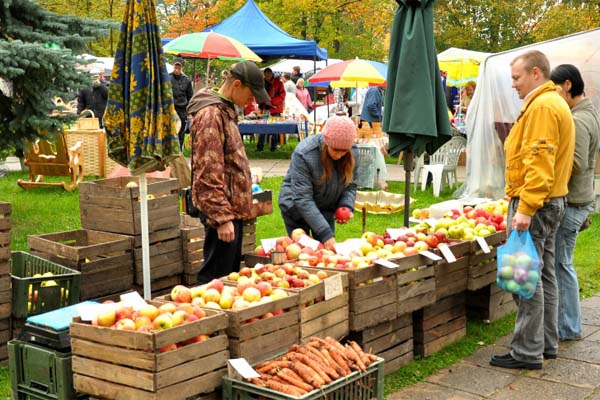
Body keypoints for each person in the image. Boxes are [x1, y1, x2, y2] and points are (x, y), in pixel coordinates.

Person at [490, 50, 575, 370]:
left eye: (517, 77)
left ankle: (526, 352)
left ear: (536, 73)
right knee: (546, 274)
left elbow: (540, 162)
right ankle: (546, 343)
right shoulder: (555, 103)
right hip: (551, 201)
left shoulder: (541, 106)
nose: (513, 84)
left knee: (524, 278)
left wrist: (524, 209)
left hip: (535, 203)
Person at [186, 60, 270, 284]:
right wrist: (222, 218)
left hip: (233, 210)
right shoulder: (211, 115)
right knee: (214, 280)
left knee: (228, 279)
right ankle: (208, 318)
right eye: (251, 95)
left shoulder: (225, 110)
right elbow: (208, 171)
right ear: (236, 84)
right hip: (222, 213)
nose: (251, 102)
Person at [550, 64, 600, 341]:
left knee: (561, 265)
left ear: (567, 85)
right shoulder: (586, 112)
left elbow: (578, 163)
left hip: (573, 203)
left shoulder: (578, 120)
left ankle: (569, 327)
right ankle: (567, 324)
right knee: (562, 263)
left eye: (556, 88)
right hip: (580, 201)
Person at [278, 115, 358, 250]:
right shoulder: (305, 153)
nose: (339, 155)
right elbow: (303, 198)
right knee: (302, 253)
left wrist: (345, 205)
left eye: (343, 151)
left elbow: (350, 185)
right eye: (335, 150)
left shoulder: (353, 153)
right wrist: (326, 234)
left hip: (325, 207)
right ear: (326, 142)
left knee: (326, 254)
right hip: (296, 208)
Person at [257, 67, 285, 152]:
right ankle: (260, 147)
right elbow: (257, 95)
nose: (267, 75)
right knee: (262, 128)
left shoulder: (279, 83)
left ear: (272, 74)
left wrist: (271, 102)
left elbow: (282, 96)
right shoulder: (261, 83)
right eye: (266, 74)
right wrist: (263, 102)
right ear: (264, 75)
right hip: (265, 109)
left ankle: (273, 147)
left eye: (269, 74)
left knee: (274, 128)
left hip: (275, 109)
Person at [170, 58, 193, 150]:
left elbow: (190, 96)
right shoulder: (168, 78)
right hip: (171, 109)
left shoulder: (187, 80)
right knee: (170, 131)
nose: (177, 70)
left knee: (181, 132)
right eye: (175, 67)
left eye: (179, 68)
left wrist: (190, 111)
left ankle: (179, 152)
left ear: (182, 68)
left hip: (182, 110)